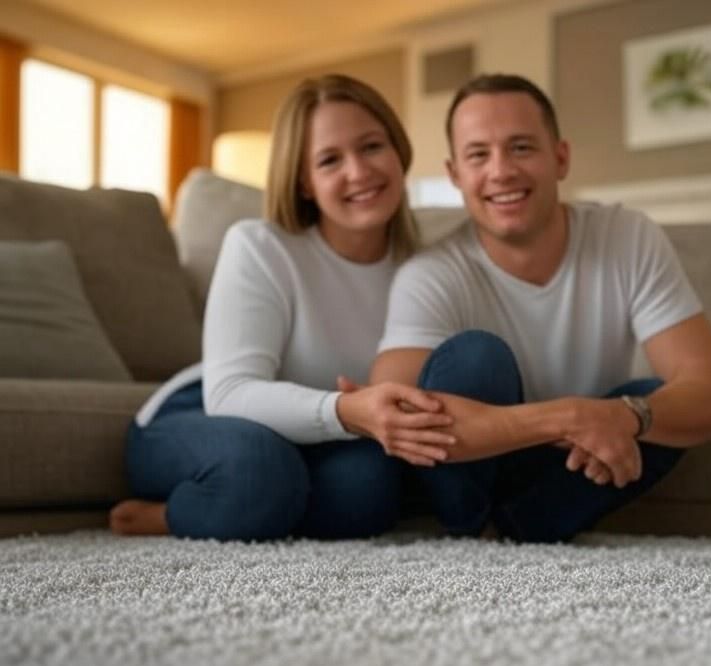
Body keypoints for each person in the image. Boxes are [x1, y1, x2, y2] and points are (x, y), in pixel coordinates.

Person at [371, 73, 711, 543]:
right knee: (475, 357)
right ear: (454, 175)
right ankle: (466, 531)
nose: (501, 170)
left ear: (560, 158)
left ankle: (520, 530)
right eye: (478, 154)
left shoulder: (627, 237)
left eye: (522, 147)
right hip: (468, 468)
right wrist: (569, 416)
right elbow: (394, 412)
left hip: (569, 465)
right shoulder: (431, 274)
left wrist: (622, 416)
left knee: (650, 400)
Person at [110, 74, 455, 541]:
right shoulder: (260, 245)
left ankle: (262, 504)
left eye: (372, 146)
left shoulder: (428, 271)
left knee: (369, 493)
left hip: (317, 434)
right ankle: (164, 516)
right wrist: (349, 410)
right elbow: (229, 393)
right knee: (260, 471)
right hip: (201, 413)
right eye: (330, 160)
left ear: (398, 151)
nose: (359, 171)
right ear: (305, 182)